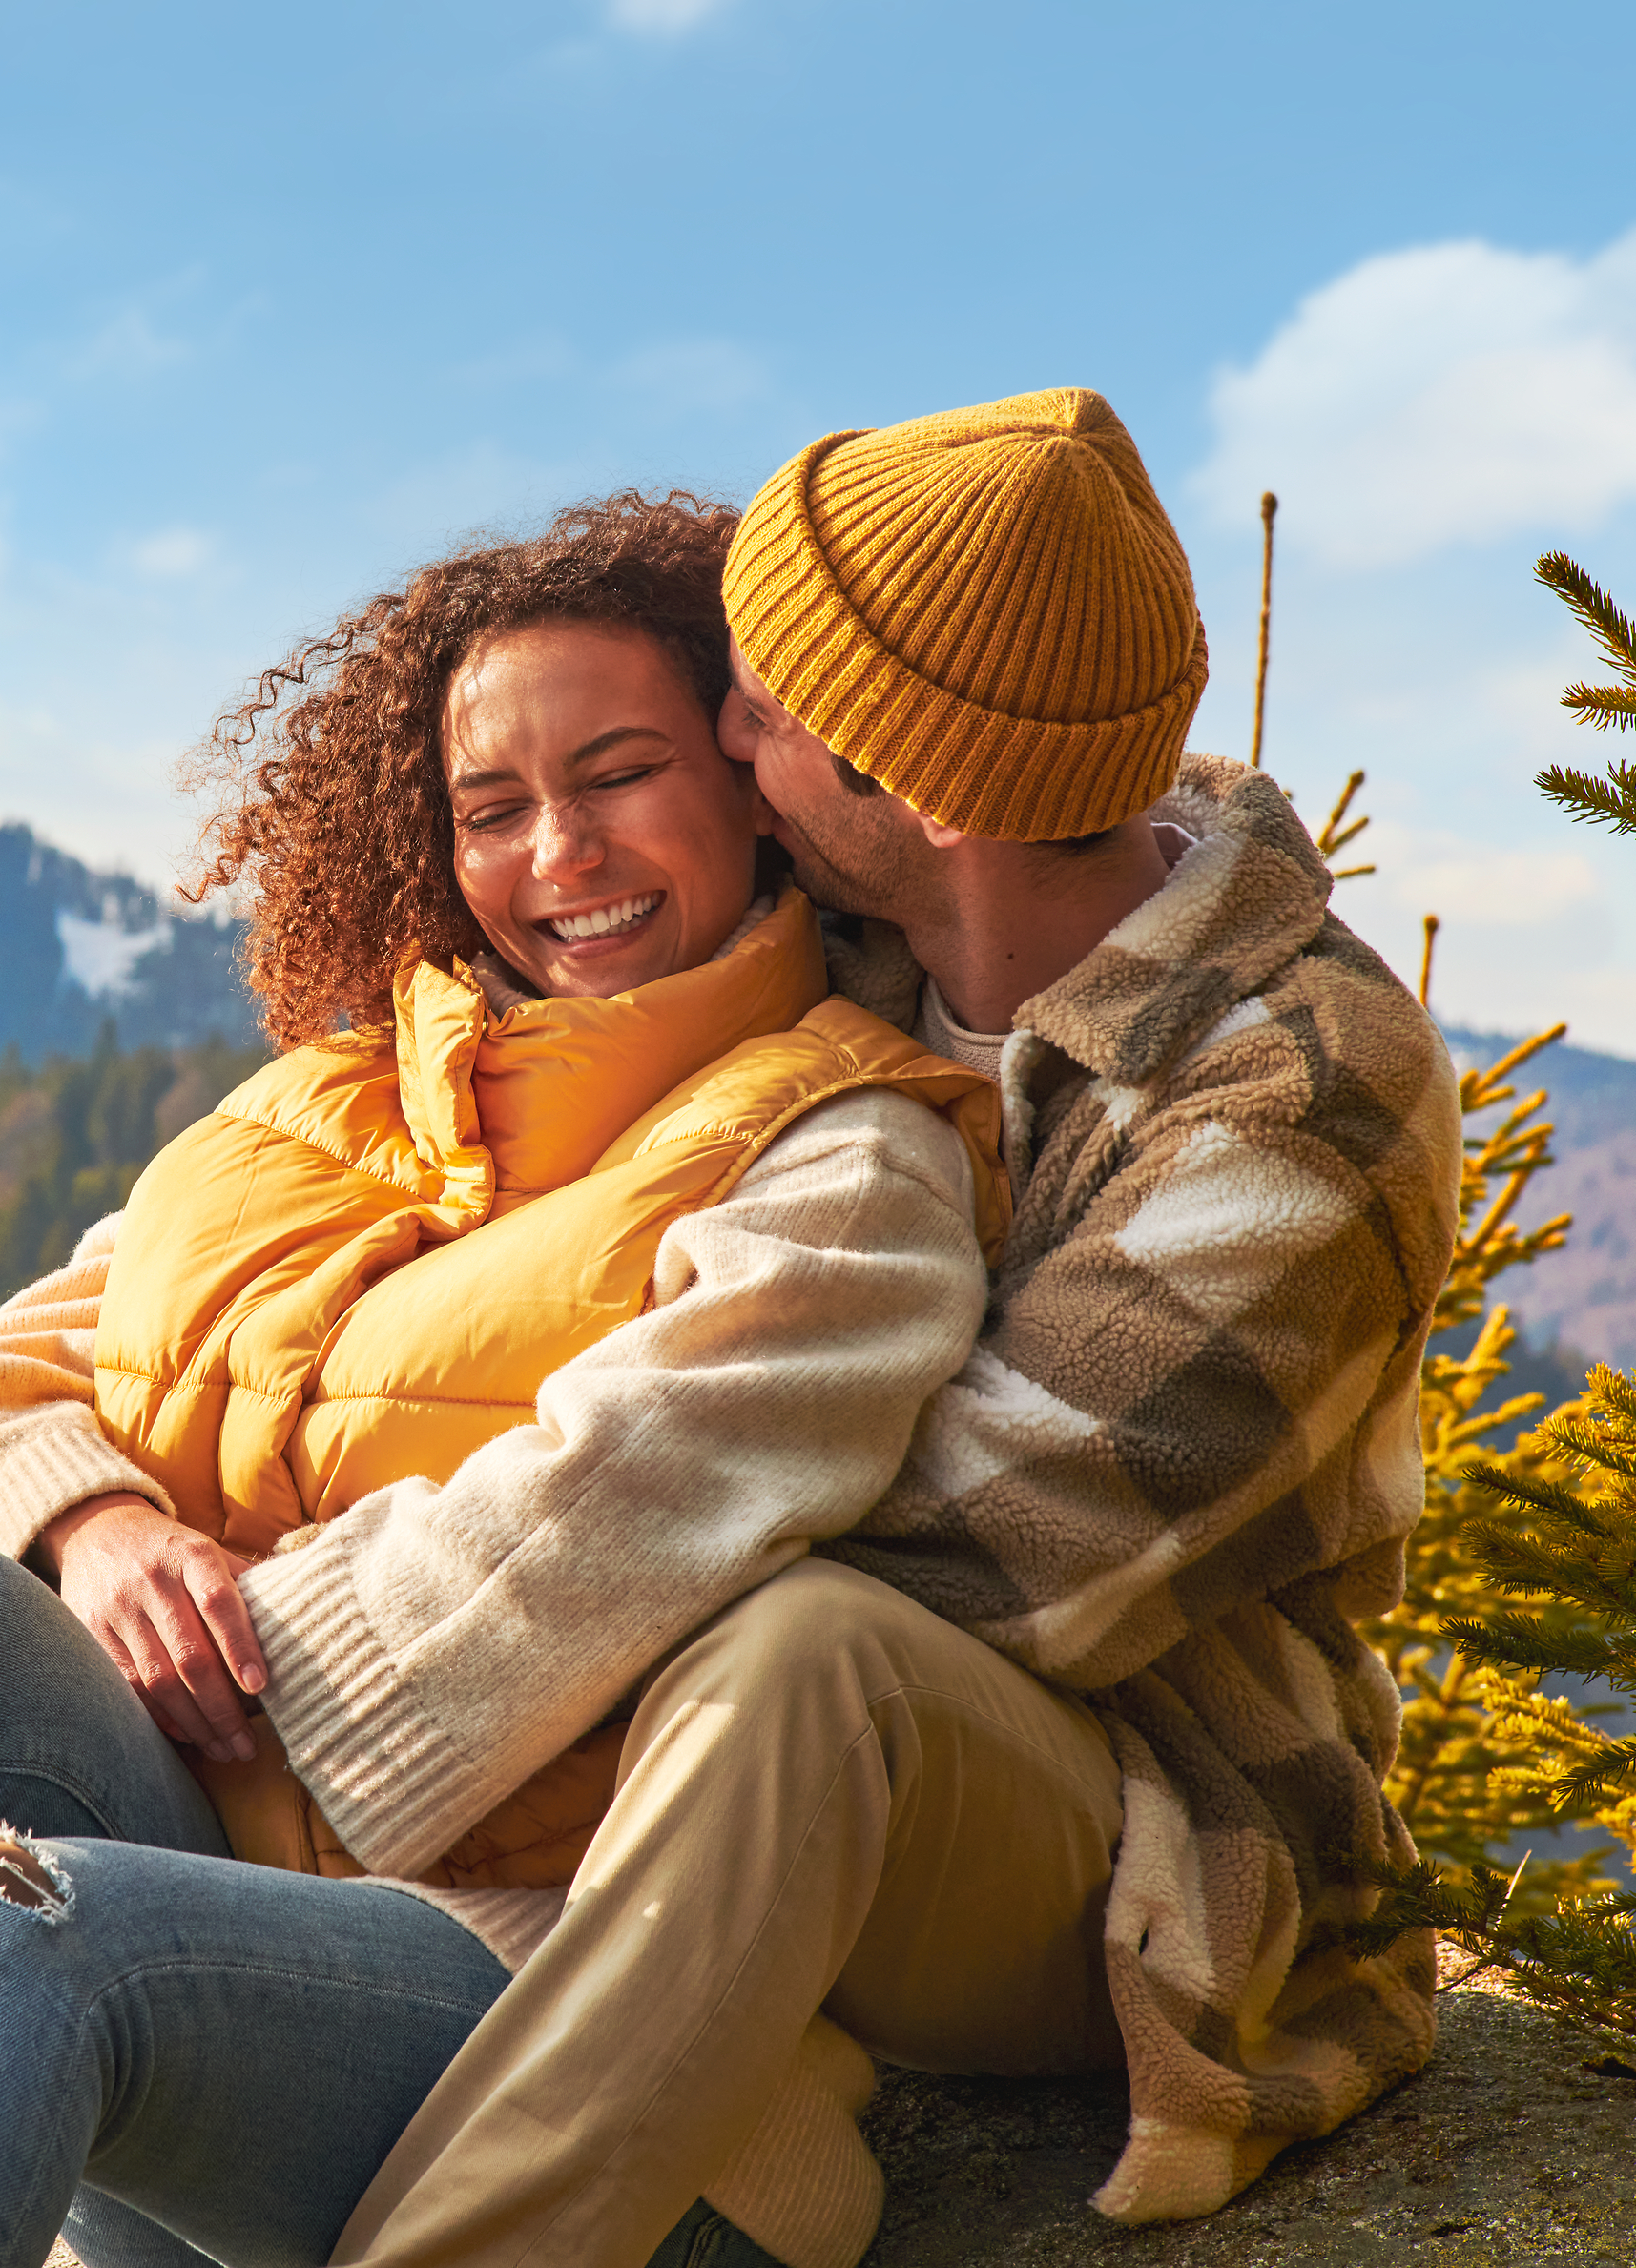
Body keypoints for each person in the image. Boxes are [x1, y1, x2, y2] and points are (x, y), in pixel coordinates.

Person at [0, 492, 1024, 2268]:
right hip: (227, 1902)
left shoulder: (845, 1156)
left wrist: (222, 1631)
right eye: (493, 809)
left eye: (620, 774)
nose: (560, 852)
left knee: (10, 1931)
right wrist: (99, 1531)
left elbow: (591, 1535)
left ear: (750, 777)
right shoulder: (327, 1107)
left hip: (567, 2022)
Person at [327, 389, 1460, 2268]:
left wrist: (406, 1580)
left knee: (815, 1655)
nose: (726, 737)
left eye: (767, 712)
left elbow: (994, 1556)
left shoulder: (1302, 1092)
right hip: (684, 1795)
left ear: (926, 793)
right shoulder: (805, 943)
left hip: (1131, 1836)